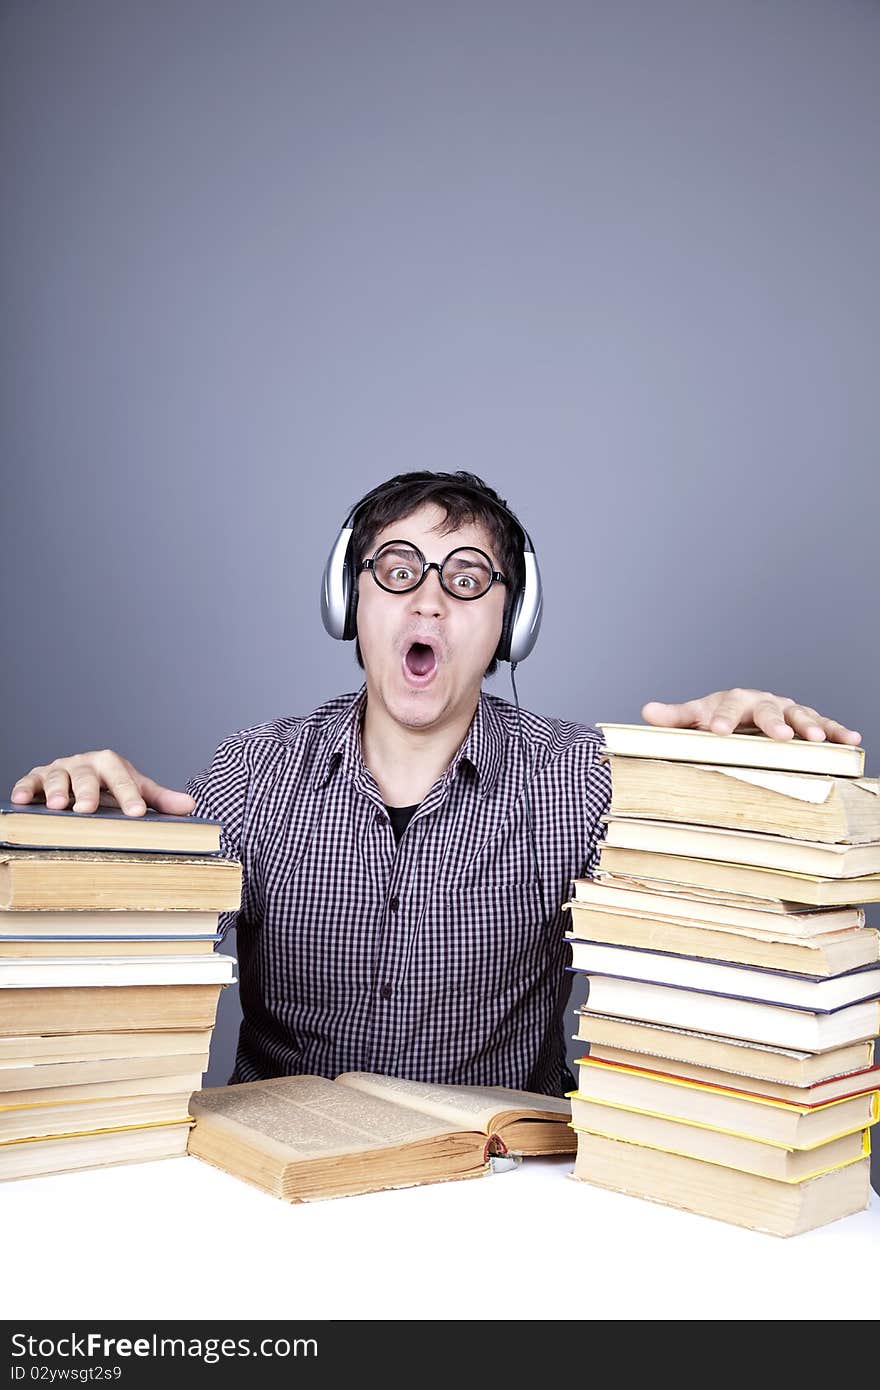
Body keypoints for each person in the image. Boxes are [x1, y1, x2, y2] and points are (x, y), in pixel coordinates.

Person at [9, 471, 863, 1095]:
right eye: (397, 570)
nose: (427, 601)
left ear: (508, 628)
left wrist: (739, 771)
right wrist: (92, 835)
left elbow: (725, 925)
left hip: (499, 1195)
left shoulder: (583, 779)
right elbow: (130, 960)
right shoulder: (254, 770)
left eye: (465, 580)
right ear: (351, 605)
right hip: (276, 1193)